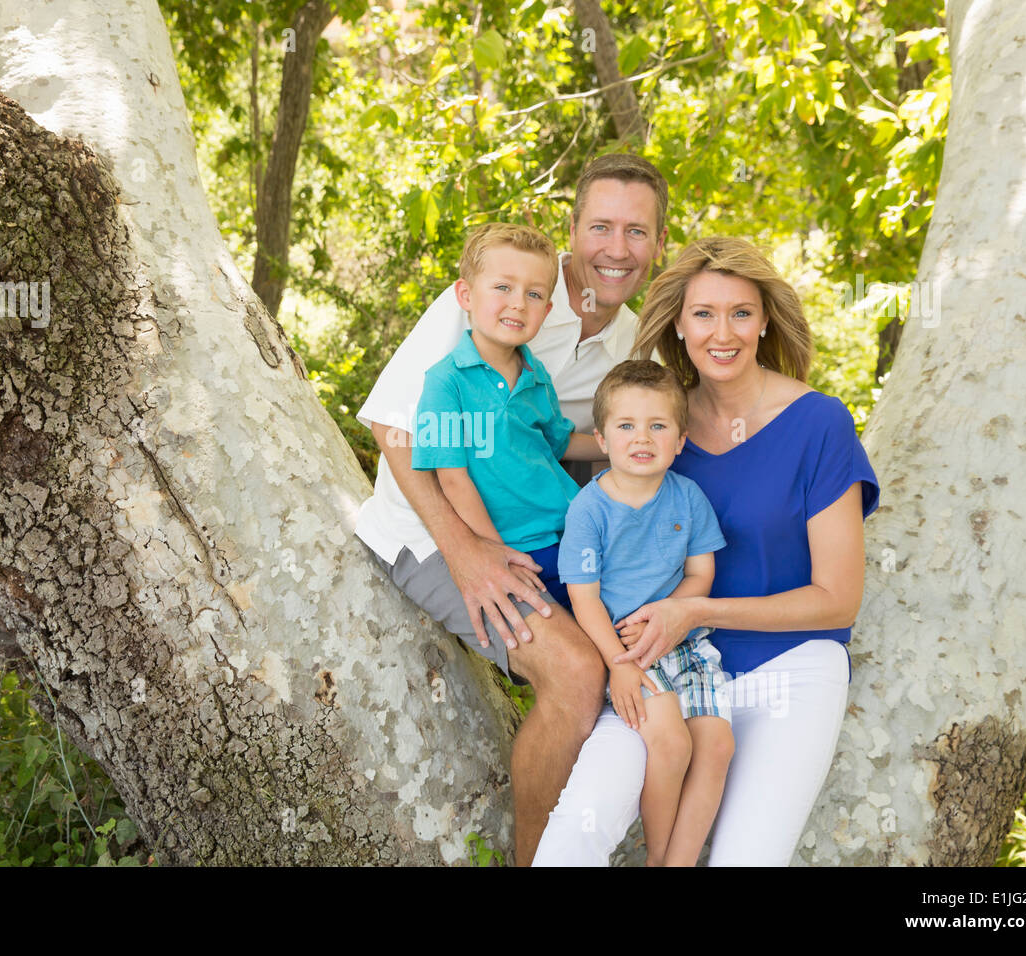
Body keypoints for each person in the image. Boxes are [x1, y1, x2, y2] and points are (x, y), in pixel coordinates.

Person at [356, 154, 668, 864]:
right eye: (601, 227)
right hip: (432, 531)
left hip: (542, 536)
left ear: (658, 242)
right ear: (572, 229)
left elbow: (576, 445)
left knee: (636, 646)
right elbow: (394, 427)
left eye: (637, 232)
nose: (616, 249)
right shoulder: (495, 295)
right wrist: (467, 553)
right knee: (576, 672)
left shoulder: (627, 342)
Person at [534, 236, 879, 866]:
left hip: (787, 670)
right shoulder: (656, 425)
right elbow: (556, 478)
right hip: (657, 667)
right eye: (703, 314)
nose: (723, 333)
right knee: (570, 841)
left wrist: (695, 612)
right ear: (678, 324)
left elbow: (837, 600)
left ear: (765, 320)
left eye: (741, 313)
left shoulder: (818, 423)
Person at [558, 359, 734, 866]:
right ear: (603, 438)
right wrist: (619, 663)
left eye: (658, 426)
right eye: (627, 425)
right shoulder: (589, 509)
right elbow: (584, 597)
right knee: (673, 746)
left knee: (717, 746)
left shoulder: (688, 497)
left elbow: (701, 575)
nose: (643, 437)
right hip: (628, 648)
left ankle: (680, 859)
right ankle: (659, 858)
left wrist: (668, 613)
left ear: (680, 440)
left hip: (685, 640)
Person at [412, 223, 606, 644]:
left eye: (534, 294)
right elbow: (452, 479)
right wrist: (495, 553)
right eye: (503, 287)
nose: (518, 304)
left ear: (547, 310)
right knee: (575, 649)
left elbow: (560, 443)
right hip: (521, 549)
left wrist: (619, 447)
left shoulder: (535, 374)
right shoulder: (446, 382)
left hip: (574, 530)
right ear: (466, 295)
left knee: (617, 631)